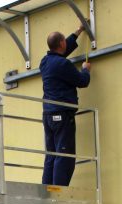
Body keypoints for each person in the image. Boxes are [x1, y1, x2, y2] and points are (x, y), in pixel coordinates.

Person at [40, 24, 91, 186]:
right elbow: (82, 82)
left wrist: (78, 32)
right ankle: (58, 192)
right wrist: (85, 69)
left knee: (52, 154)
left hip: (48, 115)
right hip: (62, 115)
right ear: (61, 43)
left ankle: (47, 190)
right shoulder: (63, 65)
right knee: (64, 154)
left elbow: (62, 52)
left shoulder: (45, 62)